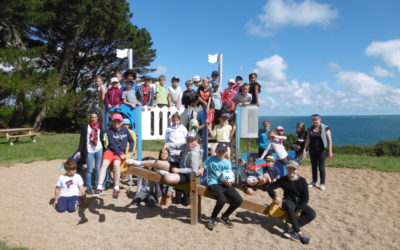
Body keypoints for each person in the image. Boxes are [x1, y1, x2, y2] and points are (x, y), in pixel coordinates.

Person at [127, 130, 203, 186]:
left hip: (186, 175)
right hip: (179, 166)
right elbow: (176, 146)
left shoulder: (194, 153)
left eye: (191, 140)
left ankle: (164, 172)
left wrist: (178, 170)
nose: (189, 142)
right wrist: (167, 145)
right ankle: (138, 162)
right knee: (159, 162)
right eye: (188, 140)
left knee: (168, 178)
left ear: (196, 140)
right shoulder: (186, 145)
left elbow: (193, 170)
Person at [266, 160, 316, 244]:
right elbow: (269, 187)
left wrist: (299, 209)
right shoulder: (283, 179)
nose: (291, 171)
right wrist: (275, 196)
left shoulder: (302, 181)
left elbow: (305, 198)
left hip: (298, 203)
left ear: (297, 170)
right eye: (289, 169)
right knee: (289, 206)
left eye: (294, 169)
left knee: (312, 214)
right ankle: (300, 234)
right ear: (287, 169)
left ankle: (291, 230)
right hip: (287, 201)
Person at [198, 143, 243, 230]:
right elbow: (203, 165)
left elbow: (229, 176)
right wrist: (201, 168)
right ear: (216, 151)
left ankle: (225, 216)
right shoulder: (210, 159)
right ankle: (212, 218)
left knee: (239, 200)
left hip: (225, 184)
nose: (220, 153)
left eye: (223, 151)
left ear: (225, 153)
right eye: (219, 151)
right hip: (213, 182)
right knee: (222, 199)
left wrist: (230, 183)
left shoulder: (227, 163)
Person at [95, 113, 134, 199]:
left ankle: (116, 187)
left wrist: (130, 151)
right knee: (104, 164)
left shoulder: (125, 130)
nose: (116, 123)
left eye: (118, 121)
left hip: (120, 152)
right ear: (112, 122)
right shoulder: (109, 131)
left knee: (116, 164)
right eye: (115, 121)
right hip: (111, 151)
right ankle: (99, 186)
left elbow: (131, 141)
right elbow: (112, 144)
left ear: (121, 122)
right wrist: (120, 154)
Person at [74, 112, 105, 195]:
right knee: (89, 170)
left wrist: (105, 150)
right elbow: (82, 140)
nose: (93, 119)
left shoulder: (100, 127)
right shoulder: (85, 126)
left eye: (95, 117)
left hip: (99, 149)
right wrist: (79, 151)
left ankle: (96, 185)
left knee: (98, 169)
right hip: (89, 150)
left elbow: (102, 139)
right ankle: (88, 186)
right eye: (92, 117)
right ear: (90, 118)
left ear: (97, 118)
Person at [303, 114, 333, 191]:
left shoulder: (325, 128)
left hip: (322, 151)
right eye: (313, 120)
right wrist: (304, 149)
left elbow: (329, 141)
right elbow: (307, 140)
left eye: (316, 120)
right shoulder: (310, 129)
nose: (315, 121)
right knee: (313, 166)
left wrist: (330, 151)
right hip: (312, 151)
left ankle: (322, 183)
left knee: (321, 167)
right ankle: (314, 181)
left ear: (320, 120)